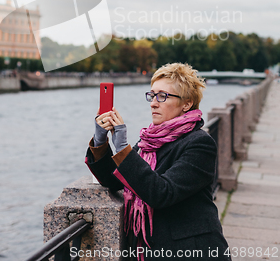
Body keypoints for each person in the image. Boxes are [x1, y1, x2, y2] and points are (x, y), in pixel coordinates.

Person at [85, 63, 231, 260]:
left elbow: (162, 193)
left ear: (186, 104)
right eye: (152, 95)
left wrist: (123, 149)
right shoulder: (150, 141)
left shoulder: (200, 143)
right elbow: (114, 180)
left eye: (162, 96)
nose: (153, 102)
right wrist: (101, 141)